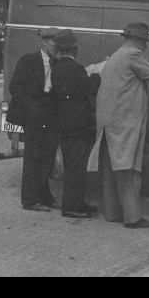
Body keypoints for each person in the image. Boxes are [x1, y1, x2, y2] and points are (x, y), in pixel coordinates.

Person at [86, 23, 149, 229]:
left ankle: (112, 213)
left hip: (108, 120)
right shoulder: (133, 55)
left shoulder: (116, 55)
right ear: (137, 41)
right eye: (144, 42)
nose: (145, 47)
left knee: (110, 168)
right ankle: (132, 217)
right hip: (124, 121)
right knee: (127, 169)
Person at [10, 28, 61, 212]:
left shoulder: (58, 63)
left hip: (50, 115)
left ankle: (44, 196)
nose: (56, 47)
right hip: (34, 115)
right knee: (33, 157)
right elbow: (15, 86)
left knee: (47, 157)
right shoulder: (28, 61)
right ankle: (30, 200)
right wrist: (31, 107)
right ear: (44, 42)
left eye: (59, 44)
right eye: (54, 43)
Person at [51, 29, 99, 218]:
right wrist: (95, 74)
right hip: (78, 124)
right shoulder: (76, 68)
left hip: (64, 123)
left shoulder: (56, 67)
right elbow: (90, 88)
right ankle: (72, 207)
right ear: (74, 49)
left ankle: (77, 203)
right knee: (77, 168)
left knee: (72, 165)